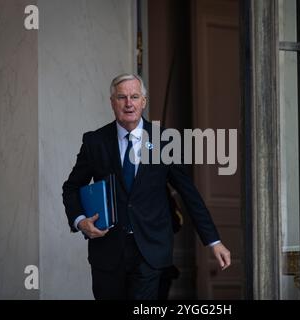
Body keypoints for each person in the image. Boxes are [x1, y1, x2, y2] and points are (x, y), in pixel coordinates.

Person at [62, 73, 231, 300]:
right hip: (107, 254)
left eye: (134, 96)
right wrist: (80, 221)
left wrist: (214, 241)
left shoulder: (165, 141)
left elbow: (189, 194)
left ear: (144, 101)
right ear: (112, 102)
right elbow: (71, 187)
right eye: (121, 97)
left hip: (150, 252)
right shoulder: (95, 141)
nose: (128, 103)